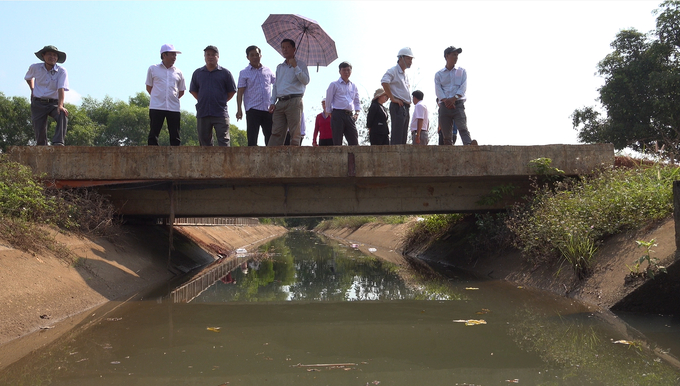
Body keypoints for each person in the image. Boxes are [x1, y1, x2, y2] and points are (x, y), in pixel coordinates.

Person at [189, 45, 237, 146]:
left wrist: (221, 100)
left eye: (213, 55)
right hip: (203, 112)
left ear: (218, 57)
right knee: (204, 143)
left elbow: (232, 91)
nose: (210, 57)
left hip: (220, 112)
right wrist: (202, 99)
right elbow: (193, 90)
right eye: (208, 54)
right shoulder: (198, 73)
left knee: (223, 141)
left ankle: (225, 162)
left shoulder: (225, 73)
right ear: (204, 56)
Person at [268, 39, 310, 146]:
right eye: (283, 47)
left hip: (294, 100)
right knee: (276, 131)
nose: (285, 49)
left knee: (294, 132)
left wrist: (295, 66)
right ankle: (272, 157)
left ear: (294, 49)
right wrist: (273, 101)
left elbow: (306, 81)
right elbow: (276, 85)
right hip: (280, 101)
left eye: (287, 47)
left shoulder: (301, 64)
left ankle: (294, 158)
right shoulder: (280, 67)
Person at [24, 45, 69, 146]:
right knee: (39, 131)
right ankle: (42, 146)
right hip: (38, 102)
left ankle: (58, 142)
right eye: (49, 54)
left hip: (54, 102)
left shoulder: (61, 71)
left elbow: (61, 88)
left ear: (57, 58)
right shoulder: (35, 67)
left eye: (54, 55)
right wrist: (32, 89)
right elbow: (28, 77)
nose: (52, 57)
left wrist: (60, 105)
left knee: (62, 114)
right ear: (43, 56)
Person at [434, 46, 477, 146]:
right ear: (447, 56)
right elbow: (438, 90)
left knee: (462, 127)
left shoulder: (461, 71)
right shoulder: (439, 74)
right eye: (454, 55)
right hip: (444, 106)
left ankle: (469, 145)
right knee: (446, 133)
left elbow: (463, 87)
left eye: (457, 55)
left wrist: (453, 99)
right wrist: (446, 101)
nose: (456, 57)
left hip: (458, 104)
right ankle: (448, 150)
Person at [145, 44, 186, 146]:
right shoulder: (153, 69)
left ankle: (176, 156)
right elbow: (149, 87)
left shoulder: (179, 72)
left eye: (175, 55)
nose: (174, 57)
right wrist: (158, 96)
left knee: (175, 135)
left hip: (173, 107)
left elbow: (181, 91)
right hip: (157, 106)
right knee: (154, 133)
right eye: (172, 54)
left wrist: (171, 98)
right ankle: (152, 155)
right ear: (164, 55)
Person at [236, 45, 276, 146]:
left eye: (257, 54)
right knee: (252, 138)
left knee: (270, 137)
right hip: (253, 108)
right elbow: (240, 92)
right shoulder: (244, 73)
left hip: (267, 109)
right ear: (248, 57)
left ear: (260, 56)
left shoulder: (268, 71)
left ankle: (270, 160)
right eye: (252, 55)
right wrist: (239, 109)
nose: (255, 57)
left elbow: (277, 84)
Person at [381, 47, 413, 145]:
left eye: (411, 59)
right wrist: (392, 98)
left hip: (405, 107)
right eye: (408, 58)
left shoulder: (405, 74)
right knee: (397, 135)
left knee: (403, 136)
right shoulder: (393, 70)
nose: (410, 61)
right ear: (401, 58)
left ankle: (401, 158)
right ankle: (394, 158)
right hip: (398, 106)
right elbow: (384, 82)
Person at [325, 61, 360, 146]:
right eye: (344, 70)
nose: (346, 72)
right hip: (338, 113)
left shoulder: (353, 86)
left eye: (348, 70)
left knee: (354, 141)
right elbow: (328, 99)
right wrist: (330, 112)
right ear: (339, 71)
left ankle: (354, 159)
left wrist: (357, 113)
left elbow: (357, 100)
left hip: (350, 115)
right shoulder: (334, 84)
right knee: (337, 141)